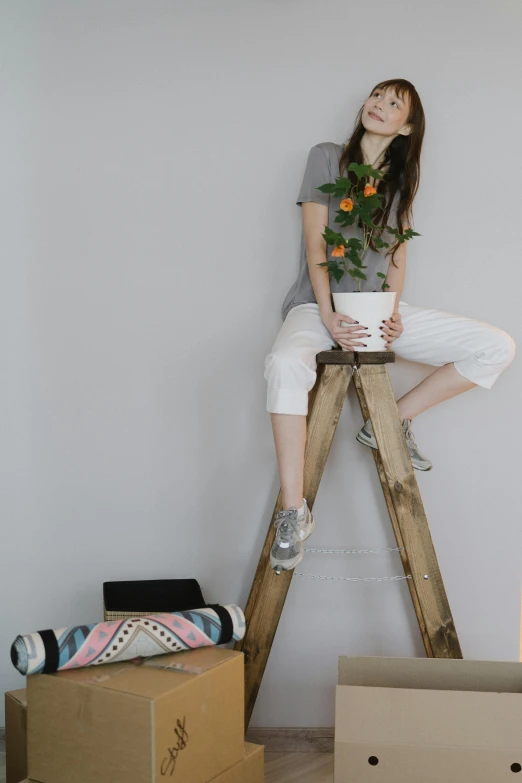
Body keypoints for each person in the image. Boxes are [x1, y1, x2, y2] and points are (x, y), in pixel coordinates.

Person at [264, 79, 516, 573]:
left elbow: (397, 260)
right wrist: (331, 315)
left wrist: (392, 313)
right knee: (282, 364)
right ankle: (294, 511)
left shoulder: (399, 185)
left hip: (374, 310)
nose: (380, 105)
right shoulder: (326, 158)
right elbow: (317, 246)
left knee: (496, 346)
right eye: (377, 96)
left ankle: (390, 423)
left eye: (394, 103)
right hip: (318, 308)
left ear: (409, 127)